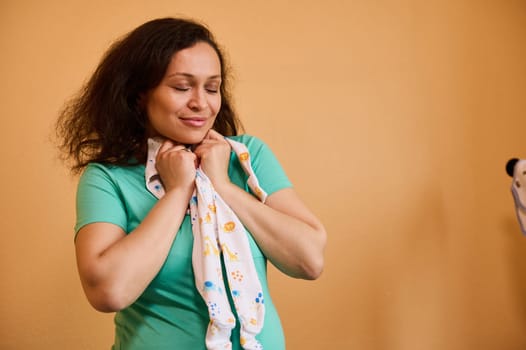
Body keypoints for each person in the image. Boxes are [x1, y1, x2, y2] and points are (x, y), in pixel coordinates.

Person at [55, 17, 326, 350]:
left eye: (212, 88)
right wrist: (178, 191)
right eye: (182, 87)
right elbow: (108, 291)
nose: (201, 102)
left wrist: (223, 186)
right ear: (140, 94)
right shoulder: (108, 179)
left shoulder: (246, 157)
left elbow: (310, 259)